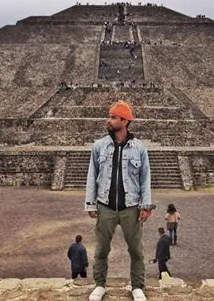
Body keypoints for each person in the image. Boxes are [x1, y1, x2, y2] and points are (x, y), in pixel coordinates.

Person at [85, 100, 154, 301]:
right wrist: (90, 203)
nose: (109, 120)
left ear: (124, 121)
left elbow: (145, 179)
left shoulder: (139, 149)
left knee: (136, 250)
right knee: (101, 249)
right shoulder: (99, 146)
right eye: (110, 116)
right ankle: (99, 284)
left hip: (131, 207)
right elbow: (92, 175)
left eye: (114, 117)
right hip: (105, 206)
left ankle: (137, 286)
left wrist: (145, 205)